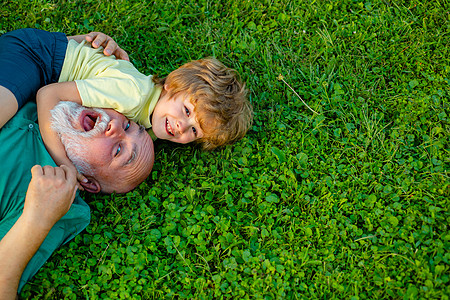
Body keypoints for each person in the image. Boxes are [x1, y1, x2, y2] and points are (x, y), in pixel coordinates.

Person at [0, 28, 252, 182]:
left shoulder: (150, 126)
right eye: (186, 111)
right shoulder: (131, 94)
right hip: (35, 56)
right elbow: (47, 96)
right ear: (171, 86)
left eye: (194, 130)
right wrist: (62, 161)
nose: (181, 127)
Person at [0, 100, 154, 296]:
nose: (115, 126)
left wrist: (38, 217)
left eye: (118, 151)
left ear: (88, 182)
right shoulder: (55, 91)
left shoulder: (61, 207)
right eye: (127, 125)